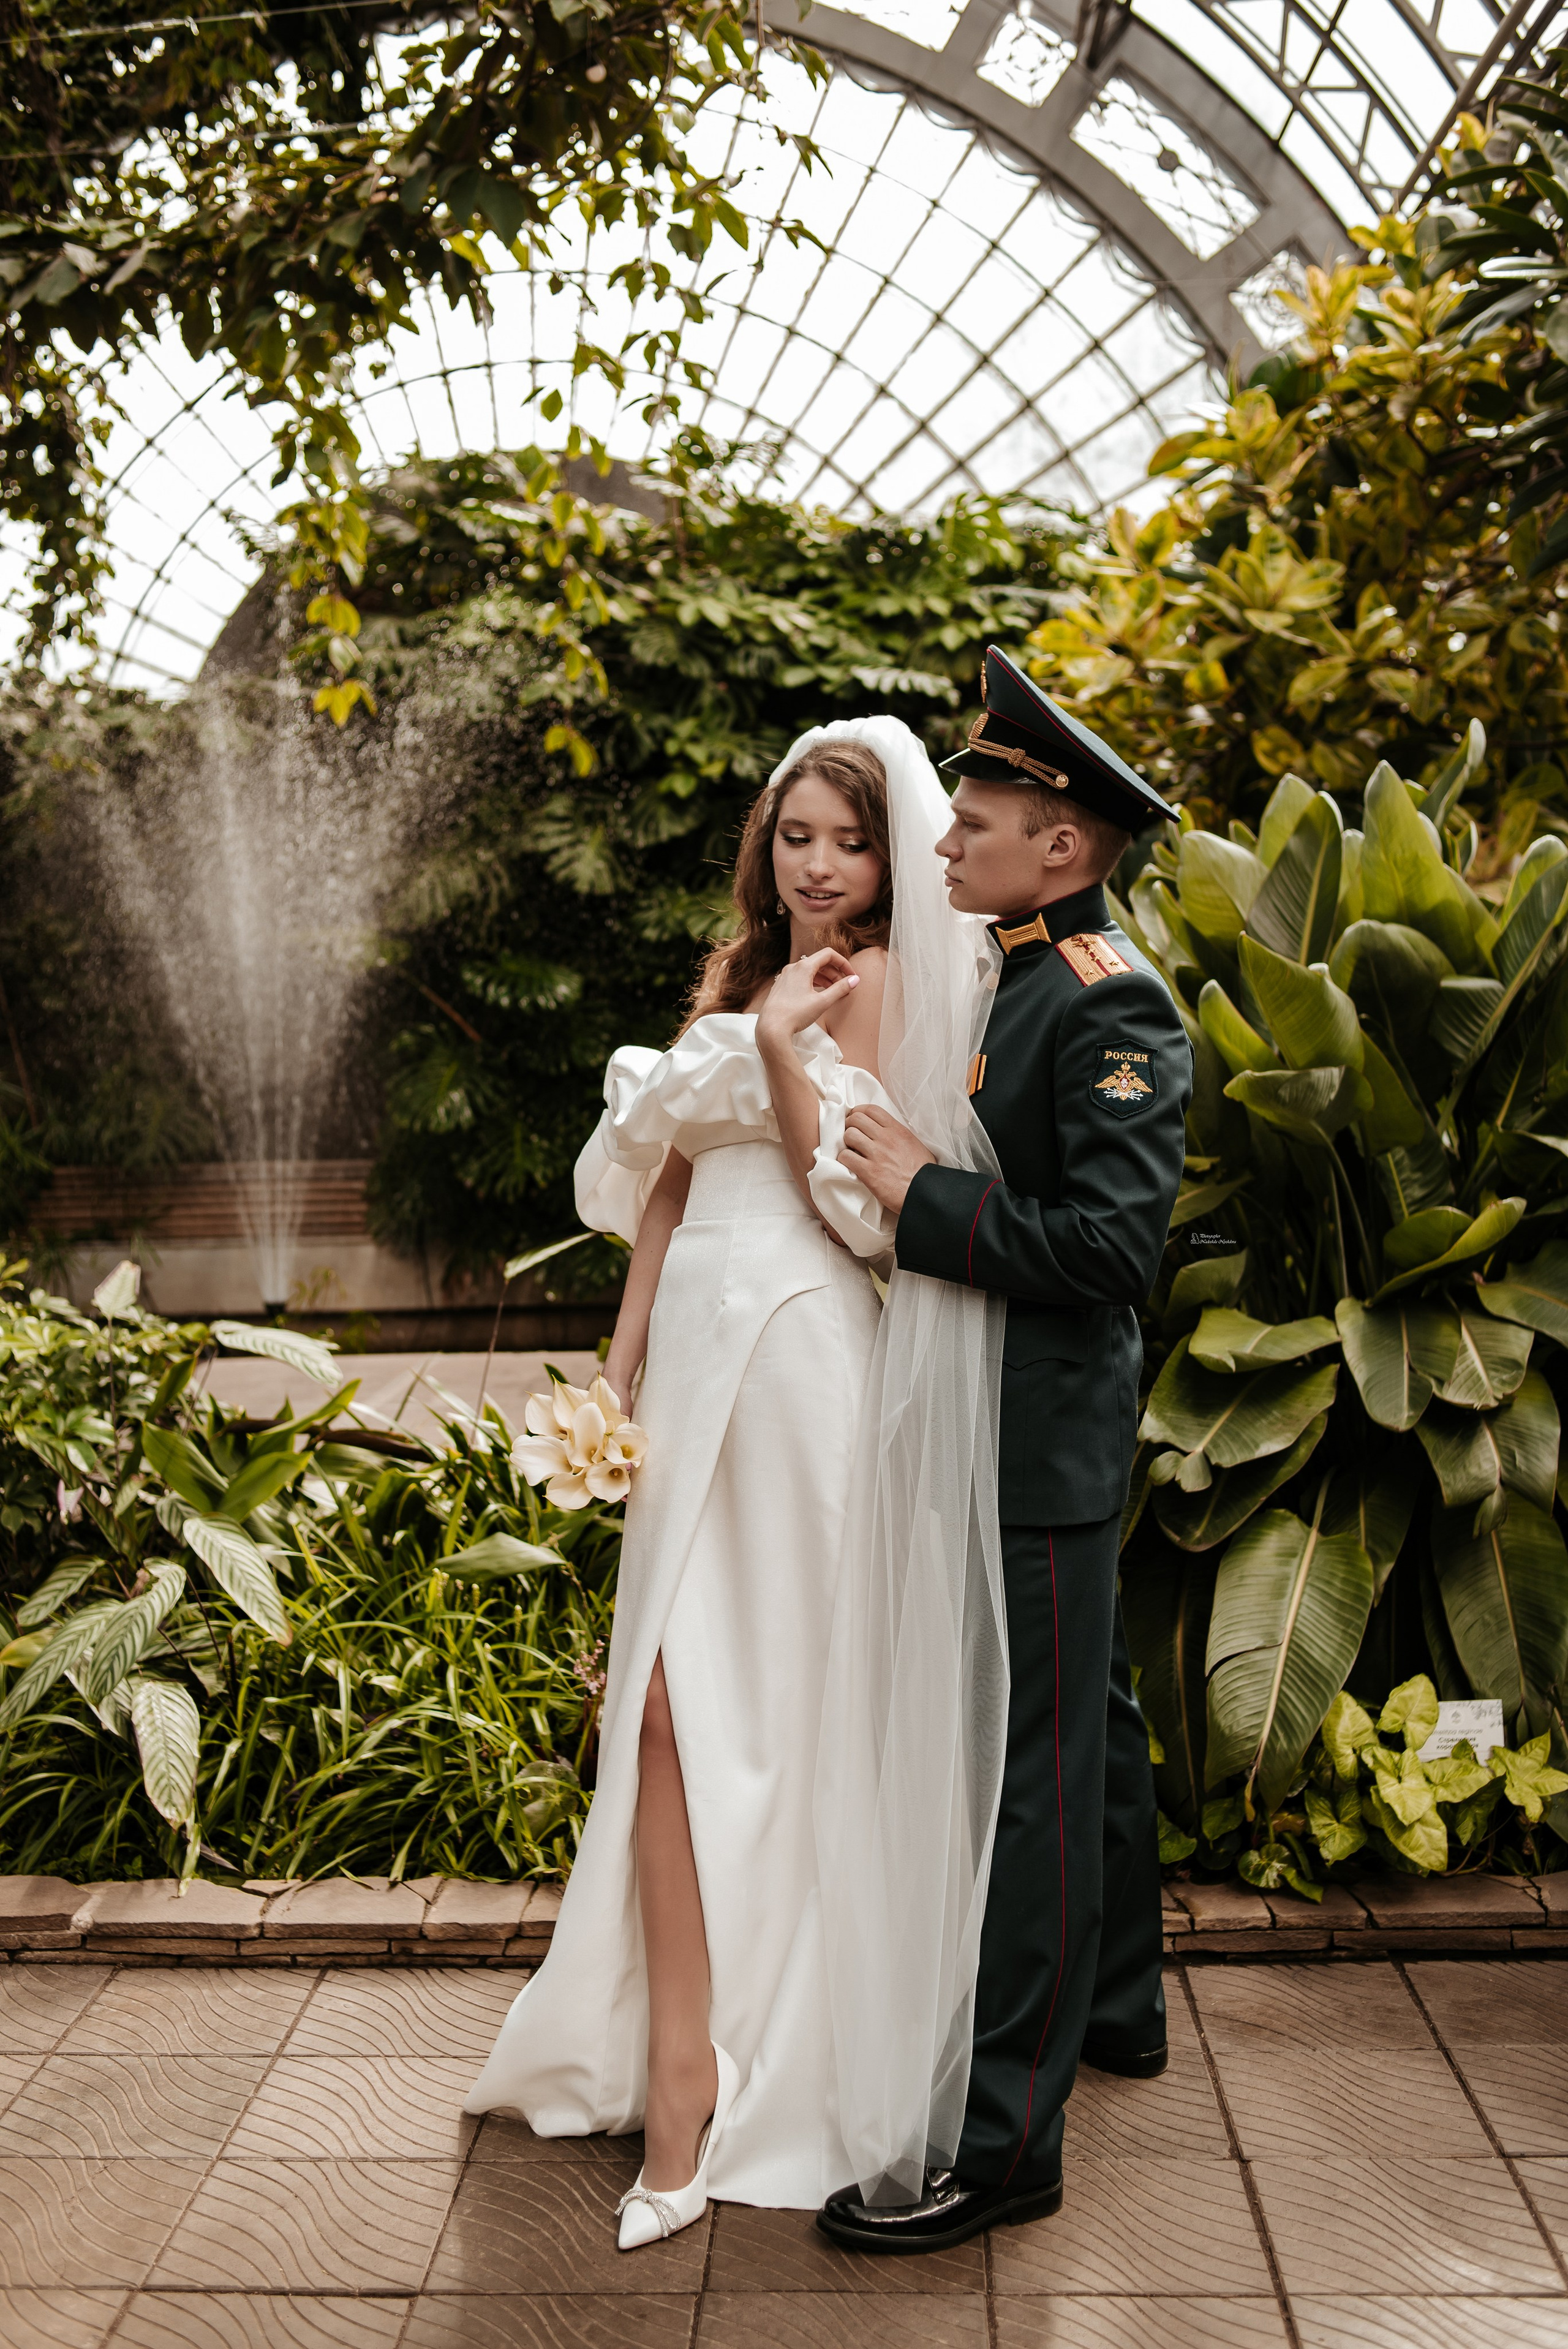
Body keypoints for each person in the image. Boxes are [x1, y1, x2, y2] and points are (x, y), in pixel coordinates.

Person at [463, 715, 989, 2238]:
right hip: (694, 1352)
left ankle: (716, 2083)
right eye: (795, 837)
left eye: (849, 843)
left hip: (802, 1349)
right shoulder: (740, 973)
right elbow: (672, 1183)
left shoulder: (879, 983)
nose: (817, 867)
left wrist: (776, 1049)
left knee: (755, 1709)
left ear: (889, 861)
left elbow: (864, 1215)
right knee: (654, 1711)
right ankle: (675, 2062)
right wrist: (617, 1368)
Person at [815, 646, 1193, 2252]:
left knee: (1031, 1781)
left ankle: (1004, 2143)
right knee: (1087, 1726)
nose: (944, 836)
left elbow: (1111, 1249)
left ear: (1062, 842)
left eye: (974, 820)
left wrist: (924, 1193)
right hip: (1019, 1418)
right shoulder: (1025, 971)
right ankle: (1116, 2013)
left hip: (1040, 1436)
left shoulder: (1107, 999)